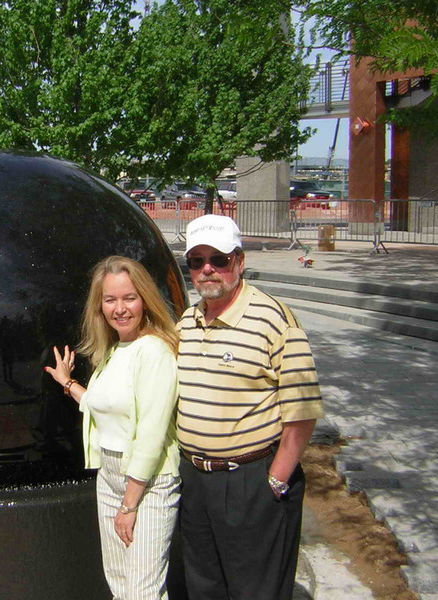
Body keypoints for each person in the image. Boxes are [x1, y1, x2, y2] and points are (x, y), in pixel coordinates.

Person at [176, 215, 324, 600]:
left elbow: (302, 410)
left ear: (239, 262)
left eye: (218, 259)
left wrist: (275, 479)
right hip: (195, 481)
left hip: (251, 480)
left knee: (256, 591)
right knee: (204, 587)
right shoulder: (186, 324)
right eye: (197, 261)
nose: (208, 269)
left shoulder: (275, 319)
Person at [45, 255, 181, 600]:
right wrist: (68, 383)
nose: (120, 308)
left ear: (145, 300)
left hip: (146, 481)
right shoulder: (115, 350)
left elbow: (151, 433)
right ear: (100, 306)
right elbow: (102, 405)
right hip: (109, 473)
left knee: (143, 589)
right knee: (119, 581)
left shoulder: (154, 351)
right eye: (110, 300)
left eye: (129, 298)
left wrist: (129, 504)